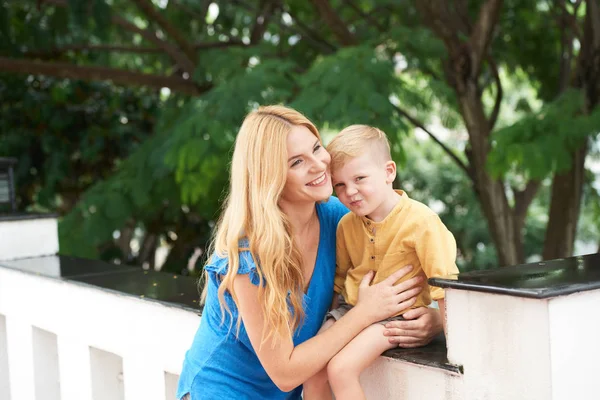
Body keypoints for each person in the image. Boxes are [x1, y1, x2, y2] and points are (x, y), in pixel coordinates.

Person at [176, 106, 443, 400]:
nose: (319, 165)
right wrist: (365, 312)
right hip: (221, 392)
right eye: (297, 162)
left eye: (317, 148)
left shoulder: (340, 219)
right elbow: (285, 374)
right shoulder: (247, 257)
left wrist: (434, 321)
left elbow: (400, 264)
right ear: (271, 177)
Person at [303, 125, 459, 400]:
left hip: (395, 315)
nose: (350, 191)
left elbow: (443, 286)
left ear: (389, 172)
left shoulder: (421, 223)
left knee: (341, 369)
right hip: (351, 309)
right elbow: (339, 281)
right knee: (312, 370)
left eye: (360, 178)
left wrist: (454, 349)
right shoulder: (346, 225)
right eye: (340, 184)